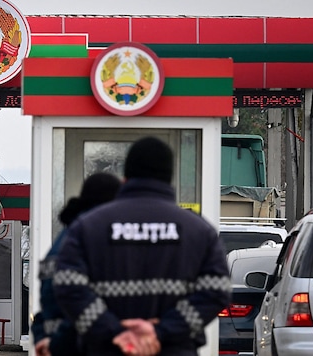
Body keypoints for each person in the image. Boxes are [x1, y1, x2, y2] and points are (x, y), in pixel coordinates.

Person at [53, 136, 231, 356]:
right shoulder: (199, 230)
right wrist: (160, 331)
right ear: (169, 179)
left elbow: (68, 286)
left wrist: (115, 332)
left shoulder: (88, 226)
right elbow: (216, 291)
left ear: (125, 178)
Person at [31, 172, 121, 356]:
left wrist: (42, 336)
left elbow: (47, 307)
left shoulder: (64, 239)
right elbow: (77, 305)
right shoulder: (90, 240)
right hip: (73, 345)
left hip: (54, 343)